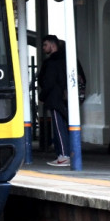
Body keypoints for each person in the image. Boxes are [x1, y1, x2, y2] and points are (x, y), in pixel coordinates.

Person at [38, 35, 70, 166]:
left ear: (52, 45)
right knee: (63, 126)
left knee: (58, 127)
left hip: (54, 98)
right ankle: (63, 154)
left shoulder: (52, 63)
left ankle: (64, 154)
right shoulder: (66, 60)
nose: (44, 48)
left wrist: (41, 96)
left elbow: (49, 82)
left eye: (45, 45)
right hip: (63, 97)